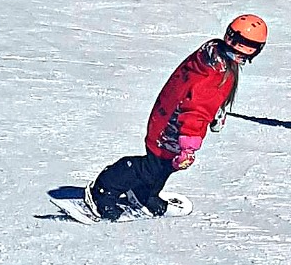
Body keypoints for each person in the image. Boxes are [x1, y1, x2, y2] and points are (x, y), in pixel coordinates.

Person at [84, 14, 268, 220]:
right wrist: (189, 146)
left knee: (164, 165)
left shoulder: (213, 57)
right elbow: (196, 109)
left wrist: (216, 112)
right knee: (153, 166)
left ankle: (143, 195)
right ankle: (103, 190)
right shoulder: (216, 73)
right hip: (173, 126)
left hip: (168, 117)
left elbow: (201, 98)